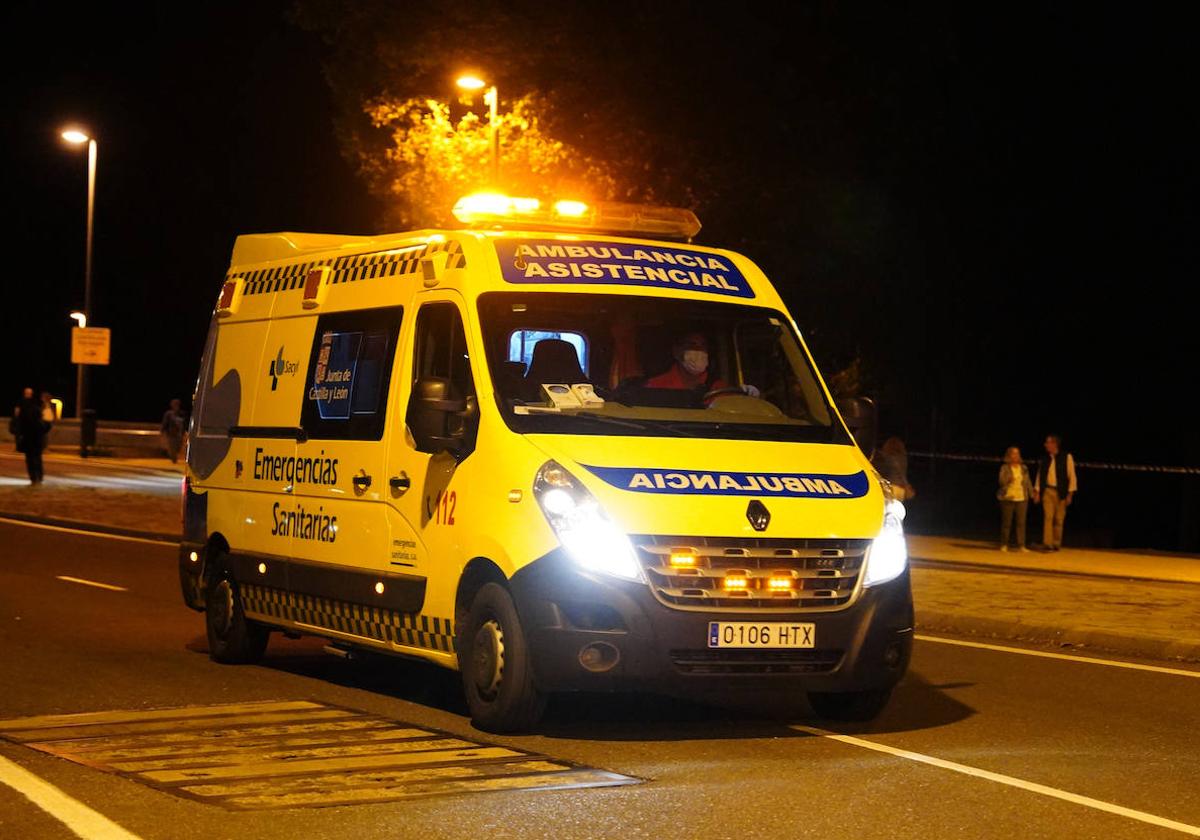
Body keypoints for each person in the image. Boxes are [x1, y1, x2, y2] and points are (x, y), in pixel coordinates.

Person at [645, 332, 758, 398]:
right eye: (692, 345)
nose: (699, 350)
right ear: (677, 351)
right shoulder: (655, 385)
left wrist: (748, 396)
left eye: (702, 345)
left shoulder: (721, 389)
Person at [1033, 433, 1077, 551]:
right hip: (1047, 490)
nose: (1045, 445)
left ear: (1054, 444)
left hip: (1061, 492)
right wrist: (1037, 491)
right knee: (1048, 517)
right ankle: (1047, 543)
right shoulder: (1044, 459)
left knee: (1059, 519)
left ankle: (1056, 543)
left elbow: (1071, 476)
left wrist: (1070, 494)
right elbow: (1040, 475)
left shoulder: (1067, 457)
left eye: (1048, 442)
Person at [996, 446, 1033, 552]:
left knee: (1021, 523)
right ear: (1009, 455)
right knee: (1006, 523)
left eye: (1017, 453)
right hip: (1008, 497)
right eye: (1013, 453)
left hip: (1021, 497)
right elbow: (1001, 481)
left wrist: (1032, 493)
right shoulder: (1005, 467)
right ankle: (1004, 544)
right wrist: (1009, 479)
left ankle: (1021, 545)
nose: (1015, 455)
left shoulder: (1024, 468)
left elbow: (1028, 482)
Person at [12, 387, 47, 484]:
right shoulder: (36, 407)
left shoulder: (22, 407)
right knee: (37, 458)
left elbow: (17, 419)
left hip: (27, 437)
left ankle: (33, 477)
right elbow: (45, 424)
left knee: (30, 458)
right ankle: (39, 476)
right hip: (36, 437)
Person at [872, 436, 915, 501]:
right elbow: (902, 475)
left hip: (889, 488)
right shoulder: (903, 458)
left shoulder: (885, 458)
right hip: (901, 489)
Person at [160, 398, 187, 463]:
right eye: (174, 404)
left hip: (179, 434)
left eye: (177, 404)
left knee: (178, 447)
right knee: (172, 447)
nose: (176, 406)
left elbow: (185, 424)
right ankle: (173, 458)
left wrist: (184, 431)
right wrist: (162, 430)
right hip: (171, 434)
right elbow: (165, 423)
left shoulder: (182, 414)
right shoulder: (168, 414)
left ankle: (174, 455)